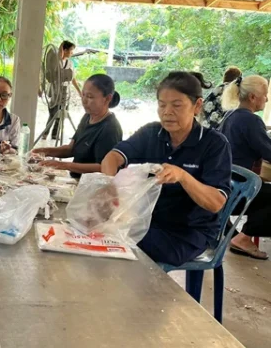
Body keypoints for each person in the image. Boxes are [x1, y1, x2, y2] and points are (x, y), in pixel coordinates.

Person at [101, 71, 232, 267]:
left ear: (197, 106)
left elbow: (215, 203)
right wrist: (109, 185)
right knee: (96, 227)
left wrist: (183, 176)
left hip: (188, 233)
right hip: (149, 221)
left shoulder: (214, 144)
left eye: (177, 105)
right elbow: (111, 158)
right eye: (162, 105)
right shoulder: (151, 133)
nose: (167, 112)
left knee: (116, 240)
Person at [219, 75, 270, 260]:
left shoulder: (230, 115)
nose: (267, 99)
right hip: (238, 191)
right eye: (265, 95)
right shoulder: (251, 121)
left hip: (225, 185)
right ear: (253, 97)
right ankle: (244, 237)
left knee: (265, 191)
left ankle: (236, 235)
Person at [32, 74, 123, 178]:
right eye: (83, 95)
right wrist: (43, 151)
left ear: (107, 99)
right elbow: (71, 149)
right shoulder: (88, 116)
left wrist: (63, 165)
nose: (84, 100)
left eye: (90, 97)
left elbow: (103, 167)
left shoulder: (110, 129)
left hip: (92, 184)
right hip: (76, 179)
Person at [42, 40, 81, 140]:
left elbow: (72, 78)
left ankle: (55, 134)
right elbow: (49, 74)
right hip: (55, 91)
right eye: (71, 50)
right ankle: (45, 133)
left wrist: (79, 91)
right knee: (53, 113)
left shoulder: (70, 63)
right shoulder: (55, 62)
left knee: (62, 114)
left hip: (65, 92)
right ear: (65, 50)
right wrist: (59, 54)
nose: (72, 53)